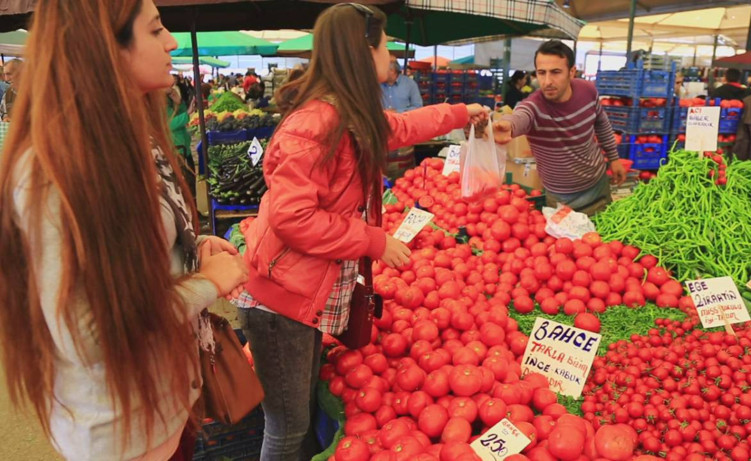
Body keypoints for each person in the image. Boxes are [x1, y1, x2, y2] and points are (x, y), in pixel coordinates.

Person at [235, 3, 487, 460]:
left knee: (296, 418)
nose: (390, 54)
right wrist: (373, 240)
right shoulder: (316, 124)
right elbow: (293, 218)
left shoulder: (349, 115)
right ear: (362, 51)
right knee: (287, 427)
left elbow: (404, 126)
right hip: (279, 300)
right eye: (385, 44)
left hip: (300, 295)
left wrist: (460, 113)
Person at [0, 1, 249, 459]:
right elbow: (87, 334)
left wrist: (190, 249)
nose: (171, 41)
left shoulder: (132, 137)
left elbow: (131, 253)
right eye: (155, 30)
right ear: (105, 48)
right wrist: (205, 283)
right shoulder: (53, 172)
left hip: (168, 402)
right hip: (124, 433)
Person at [492, 40, 626, 216]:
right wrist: (508, 125)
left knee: (606, 230)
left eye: (555, 72)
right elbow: (520, 117)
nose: (547, 81)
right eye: (542, 73)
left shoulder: (587, 91)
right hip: (561, 198)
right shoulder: (533, 107)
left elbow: (601, 123)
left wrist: (614, 158)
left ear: (572, 72)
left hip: (598, 185)